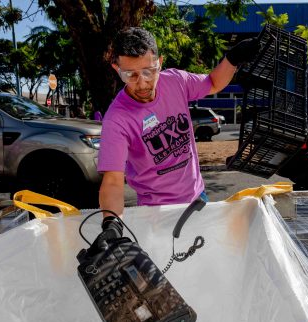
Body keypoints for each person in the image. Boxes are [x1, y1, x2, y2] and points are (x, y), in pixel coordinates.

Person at [98, 27, 259, 218]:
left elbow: (213, 83)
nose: (141, 83)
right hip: (156, 212)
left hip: (198, 198)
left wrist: (233, 58)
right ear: (117, 69)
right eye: (130, 75)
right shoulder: (117, 119)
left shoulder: (175, 81)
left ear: (159, 63)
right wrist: (111, 224)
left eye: (148, 72)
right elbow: (113, 182)